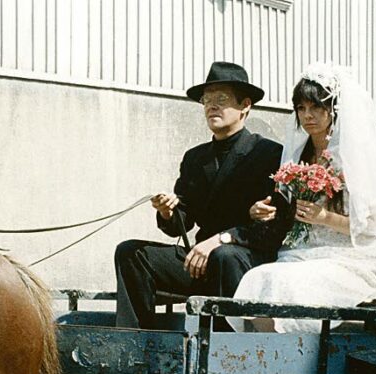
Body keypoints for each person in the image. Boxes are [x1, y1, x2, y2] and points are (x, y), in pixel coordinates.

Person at [115, 61, 295, 329]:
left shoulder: (269, 154)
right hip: (200, 260)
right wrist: (168, 210)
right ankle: (137, 344)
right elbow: (182, 222)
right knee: (131, 252)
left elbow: (272, 228)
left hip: (245, 261)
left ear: (245, 104)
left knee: (225, 256)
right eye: (206, 100)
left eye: (221, 99)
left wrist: (219, 242)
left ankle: (223, 353)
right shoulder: (195, 158)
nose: (212, 106)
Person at [229, 62, 376, 333]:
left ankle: (283, 357)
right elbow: (288, 214)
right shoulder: (297, 155)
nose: (307, 115)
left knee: (285, 284)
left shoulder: (353, 158)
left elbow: (373, 225)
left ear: (333, 110)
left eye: (316, 107)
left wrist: (325, 217)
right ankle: (265, 356)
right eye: (301, 108)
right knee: (258, 278)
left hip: (345, 259)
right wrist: (263, 212)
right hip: (300, 254)